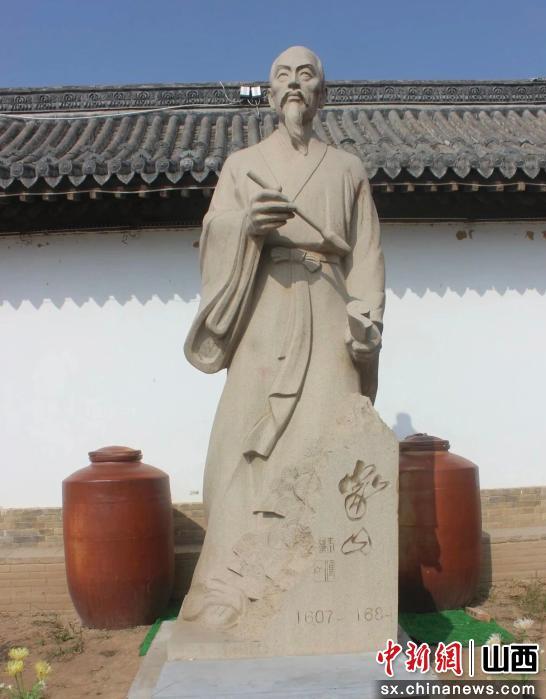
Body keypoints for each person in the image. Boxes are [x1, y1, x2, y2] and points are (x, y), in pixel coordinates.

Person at [182, 46, 386, 629]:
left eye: (306, 75)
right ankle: (229, 586)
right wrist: (247, 226)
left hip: (329, 309)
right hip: (264, 312)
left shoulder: (347, 168)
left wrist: (366, 318)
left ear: (323, 93)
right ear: (270, 94)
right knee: (241, 444)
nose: (294, 84)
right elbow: (214, 233)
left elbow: (367, 253)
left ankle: (332, 585)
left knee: (331, 436)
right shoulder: (242, 165)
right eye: (283, 76)